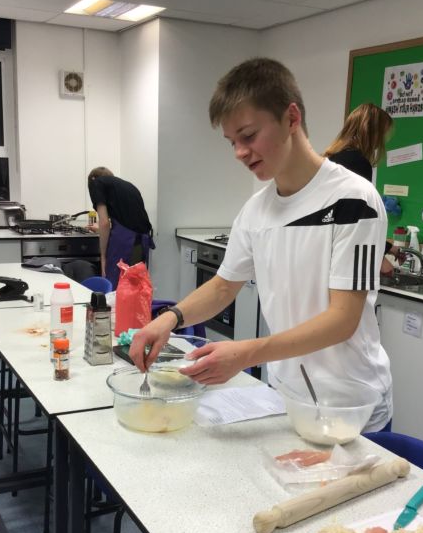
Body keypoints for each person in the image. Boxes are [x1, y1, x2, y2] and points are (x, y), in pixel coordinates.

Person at [130, 58, 392, 432]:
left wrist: (246, 352)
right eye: (232, 142)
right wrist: (168, 320)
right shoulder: (256, 211)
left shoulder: (354, 200)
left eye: (249, 136)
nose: (239, 151)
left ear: (291, 118)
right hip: (288, 400)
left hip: (353, 407)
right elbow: (224, 286)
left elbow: (342, 320)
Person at [324, 103, 400, 275]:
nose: (381, 142)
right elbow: (354, 222)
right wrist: (379, 259)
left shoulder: (333, 159)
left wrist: (388, 247)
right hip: (337, 260)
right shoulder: (357, 163)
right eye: (383, 135)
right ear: (372, 132)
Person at [87, 166, 154, 289]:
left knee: (116, 286)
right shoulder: (129, 186)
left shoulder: (96, 182)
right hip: (141, 242)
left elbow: (104, 223)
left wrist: (103, 257)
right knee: (134, 285)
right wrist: (101, 229)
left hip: (124, 243)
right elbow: (127, 220)